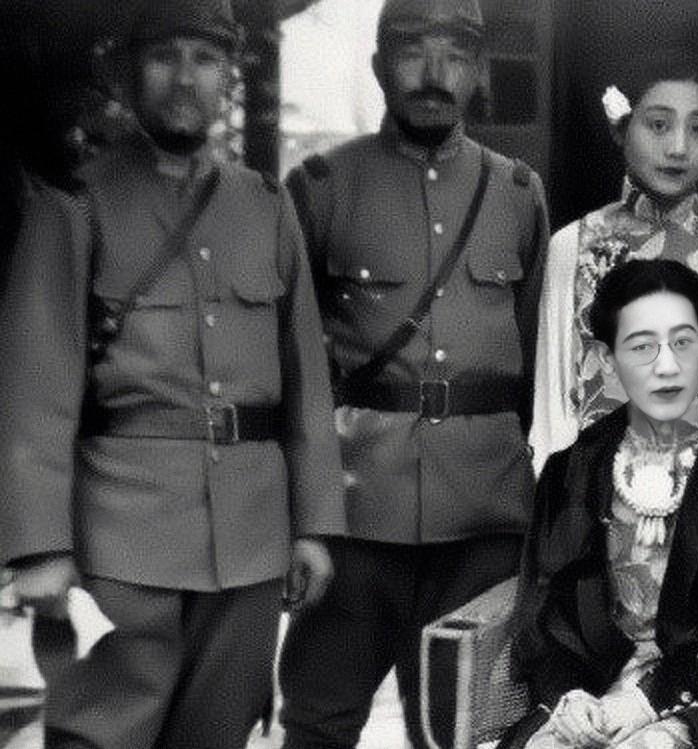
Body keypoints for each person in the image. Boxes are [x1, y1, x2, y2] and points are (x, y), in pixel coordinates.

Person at [0, 1, 346, 747]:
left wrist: (315, 524)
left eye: (206, 58)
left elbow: (306, 383)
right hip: (119, 543)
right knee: (99, 734)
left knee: (219, 734)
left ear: (229, 76)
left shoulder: (266, 207)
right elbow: (35, 391)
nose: (186, 78)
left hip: (251, 541)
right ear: (129, 72)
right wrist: (40, 547)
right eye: (165, 57)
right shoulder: (74, 206)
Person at [275, 1, 549, 747]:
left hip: (484, 520)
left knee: (460, 729)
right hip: (356, 515)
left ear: (479, 72)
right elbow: (292, 364)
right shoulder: (322, 186)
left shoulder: (516, 193)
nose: (434, 75)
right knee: (319, 719)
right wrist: (304, 515)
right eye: (411, 53)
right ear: (378, 67)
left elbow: (529, 358)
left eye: (455, 56)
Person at [505, 259, 698, 749]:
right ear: (606, 359)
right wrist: (567, 696)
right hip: (593, 687)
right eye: (642, 346)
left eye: (683, 342)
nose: (667, 366)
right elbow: (544, 607)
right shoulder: (571, 469)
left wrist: (651, 698)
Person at [530, 60, 698, 473]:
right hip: (589, 489)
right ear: (621, 129)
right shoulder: (571, 244)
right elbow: (552, 409)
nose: (679, 147)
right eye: (659, 125)